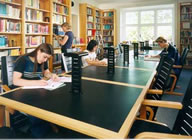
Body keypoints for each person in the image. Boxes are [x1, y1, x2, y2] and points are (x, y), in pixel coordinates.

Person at [13, 43, 59, 138]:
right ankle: (40, 134)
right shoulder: (23, 60)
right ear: (38, 51)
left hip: (38, 92)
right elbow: (15, 81)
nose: (45, 60)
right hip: (23, 93)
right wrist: (36, 82)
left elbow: (46, 72)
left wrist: (51, 75)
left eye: (47, 58)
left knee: (54, 103)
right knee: (39, 112)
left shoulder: (42, 61)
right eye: (44, 57)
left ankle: (46, 129)